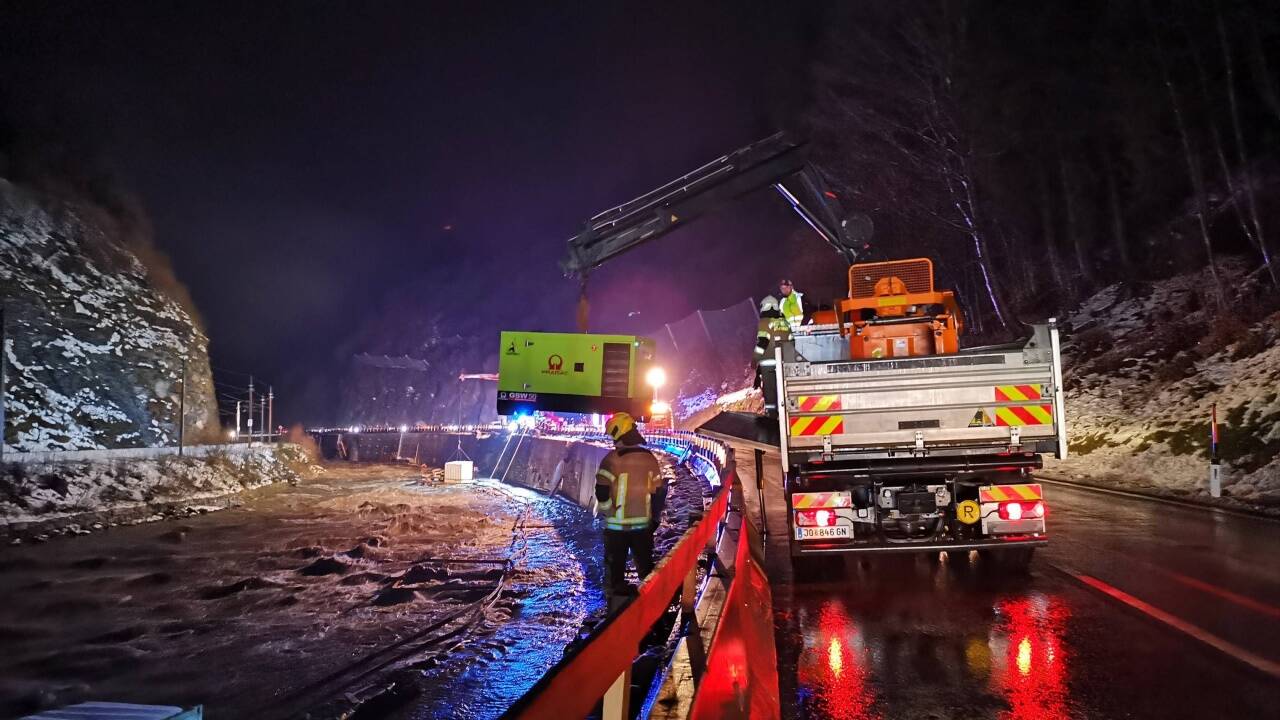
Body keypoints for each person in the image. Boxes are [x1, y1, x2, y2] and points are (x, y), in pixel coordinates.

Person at [596, 412, 666, 596]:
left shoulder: (611, 460)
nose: (612, 439)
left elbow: (601, 492)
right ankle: (653, 606)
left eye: (613, 435)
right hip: (643, 526)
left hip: (616, 528)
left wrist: (608, 511)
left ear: (619, 434)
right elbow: (659, 492)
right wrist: (655, 517)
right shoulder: (650, 459)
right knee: (646, 570)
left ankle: (616, 612)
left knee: (615, 574)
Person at [754, 296, 790, 416]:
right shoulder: (784, 322)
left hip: (769, 364)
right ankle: (784, 414)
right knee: (784, 391)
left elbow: (762, 344)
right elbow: (792, 341)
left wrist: (754, 360)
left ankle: (772, 418)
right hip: (785, 363)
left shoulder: (765, 322)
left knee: (770, 395)